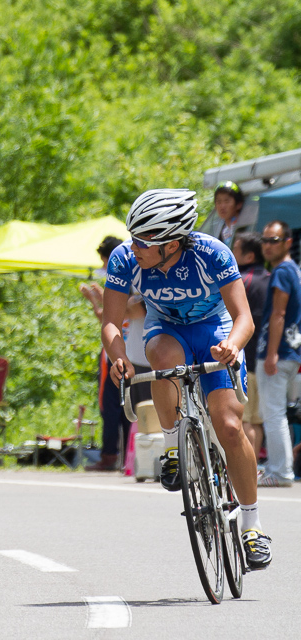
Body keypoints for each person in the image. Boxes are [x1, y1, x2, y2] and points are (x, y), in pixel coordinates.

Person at [103, 188, 272, 570]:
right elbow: (112, 322)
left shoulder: (211, 253)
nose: (135, 248)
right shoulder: (125, 259)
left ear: (173, 243)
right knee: (164, 360)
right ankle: (173, 444)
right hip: (166, 329)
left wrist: (231, 345)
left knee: (229, 426)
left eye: (145, 241)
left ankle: (252, 525)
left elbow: (244, 317)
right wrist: (117, 359)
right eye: (132, 238)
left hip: (216, 330)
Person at [81, 237, 151, 471]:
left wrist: (104, 301)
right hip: (122, 351)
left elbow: (132, 310)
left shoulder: (140, 278)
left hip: (141, 355)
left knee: (132, 408)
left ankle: (125, 459)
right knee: (118, 406)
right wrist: (98, 301)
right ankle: (126, 460)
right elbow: (110, 317)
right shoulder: (124, 281)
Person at [255, 221, 301, 488]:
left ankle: (280, 471)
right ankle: (277, 466)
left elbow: (279, 313)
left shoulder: (283, 271)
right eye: (265, 240)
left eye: (274, 240)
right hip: (290, 351)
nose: (267, 245)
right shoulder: (294, 270)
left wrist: (271, 352)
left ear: (287, 242)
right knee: (276, 412)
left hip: (279, 351)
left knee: (273, 413)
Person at [231, 231, 270, 461]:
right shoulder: (269, 277)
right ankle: (253, 465)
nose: (231, 253)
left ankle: (249, 467)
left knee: (246, 419)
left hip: (246, 356)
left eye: (236, 249)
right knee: (257, 419)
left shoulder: (242, 280)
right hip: (265, 356)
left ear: (248, 256)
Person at [205, 181, 247, 247]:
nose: (222, 206)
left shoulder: (246, 228)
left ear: (239, 204)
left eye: (227, 201)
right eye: (219, 202)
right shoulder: (220, 230)